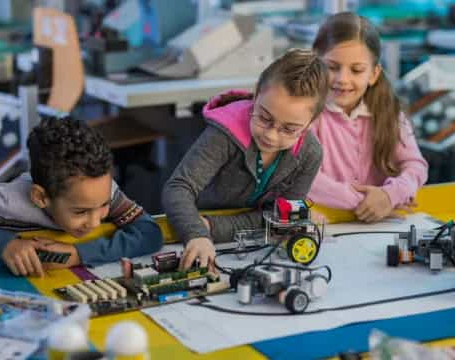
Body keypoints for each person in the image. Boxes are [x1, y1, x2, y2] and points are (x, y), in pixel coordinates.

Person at [162, 49, 329, 271]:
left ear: (309, 124)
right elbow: (178, 188)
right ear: (256, 95)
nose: (271, 135)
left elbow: (282, 219)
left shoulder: (310, 153)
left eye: (289, 129)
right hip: (193, 236)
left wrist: (214, 228)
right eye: (264, 117)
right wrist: (196, 232)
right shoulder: (224, 134)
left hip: (241, 243)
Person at [0, 117, 163, 276]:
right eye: (81, 211)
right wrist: (5, 244)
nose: (95, 222)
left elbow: (150, 233)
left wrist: (78, 254)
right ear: (40, 198)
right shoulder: (6, 201)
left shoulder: (101, 190)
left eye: (104, 204)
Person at [307, 12, 428, 223]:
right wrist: (369, 202)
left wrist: (390, 195)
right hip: (326, 224)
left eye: (356, 70)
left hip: (380, 225)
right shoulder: (303, 114)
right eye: (332, 67)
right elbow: (306, 179)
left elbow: (416, 165)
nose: (343, 79)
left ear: (373, 74)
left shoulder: (389, 113)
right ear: (314, 62)